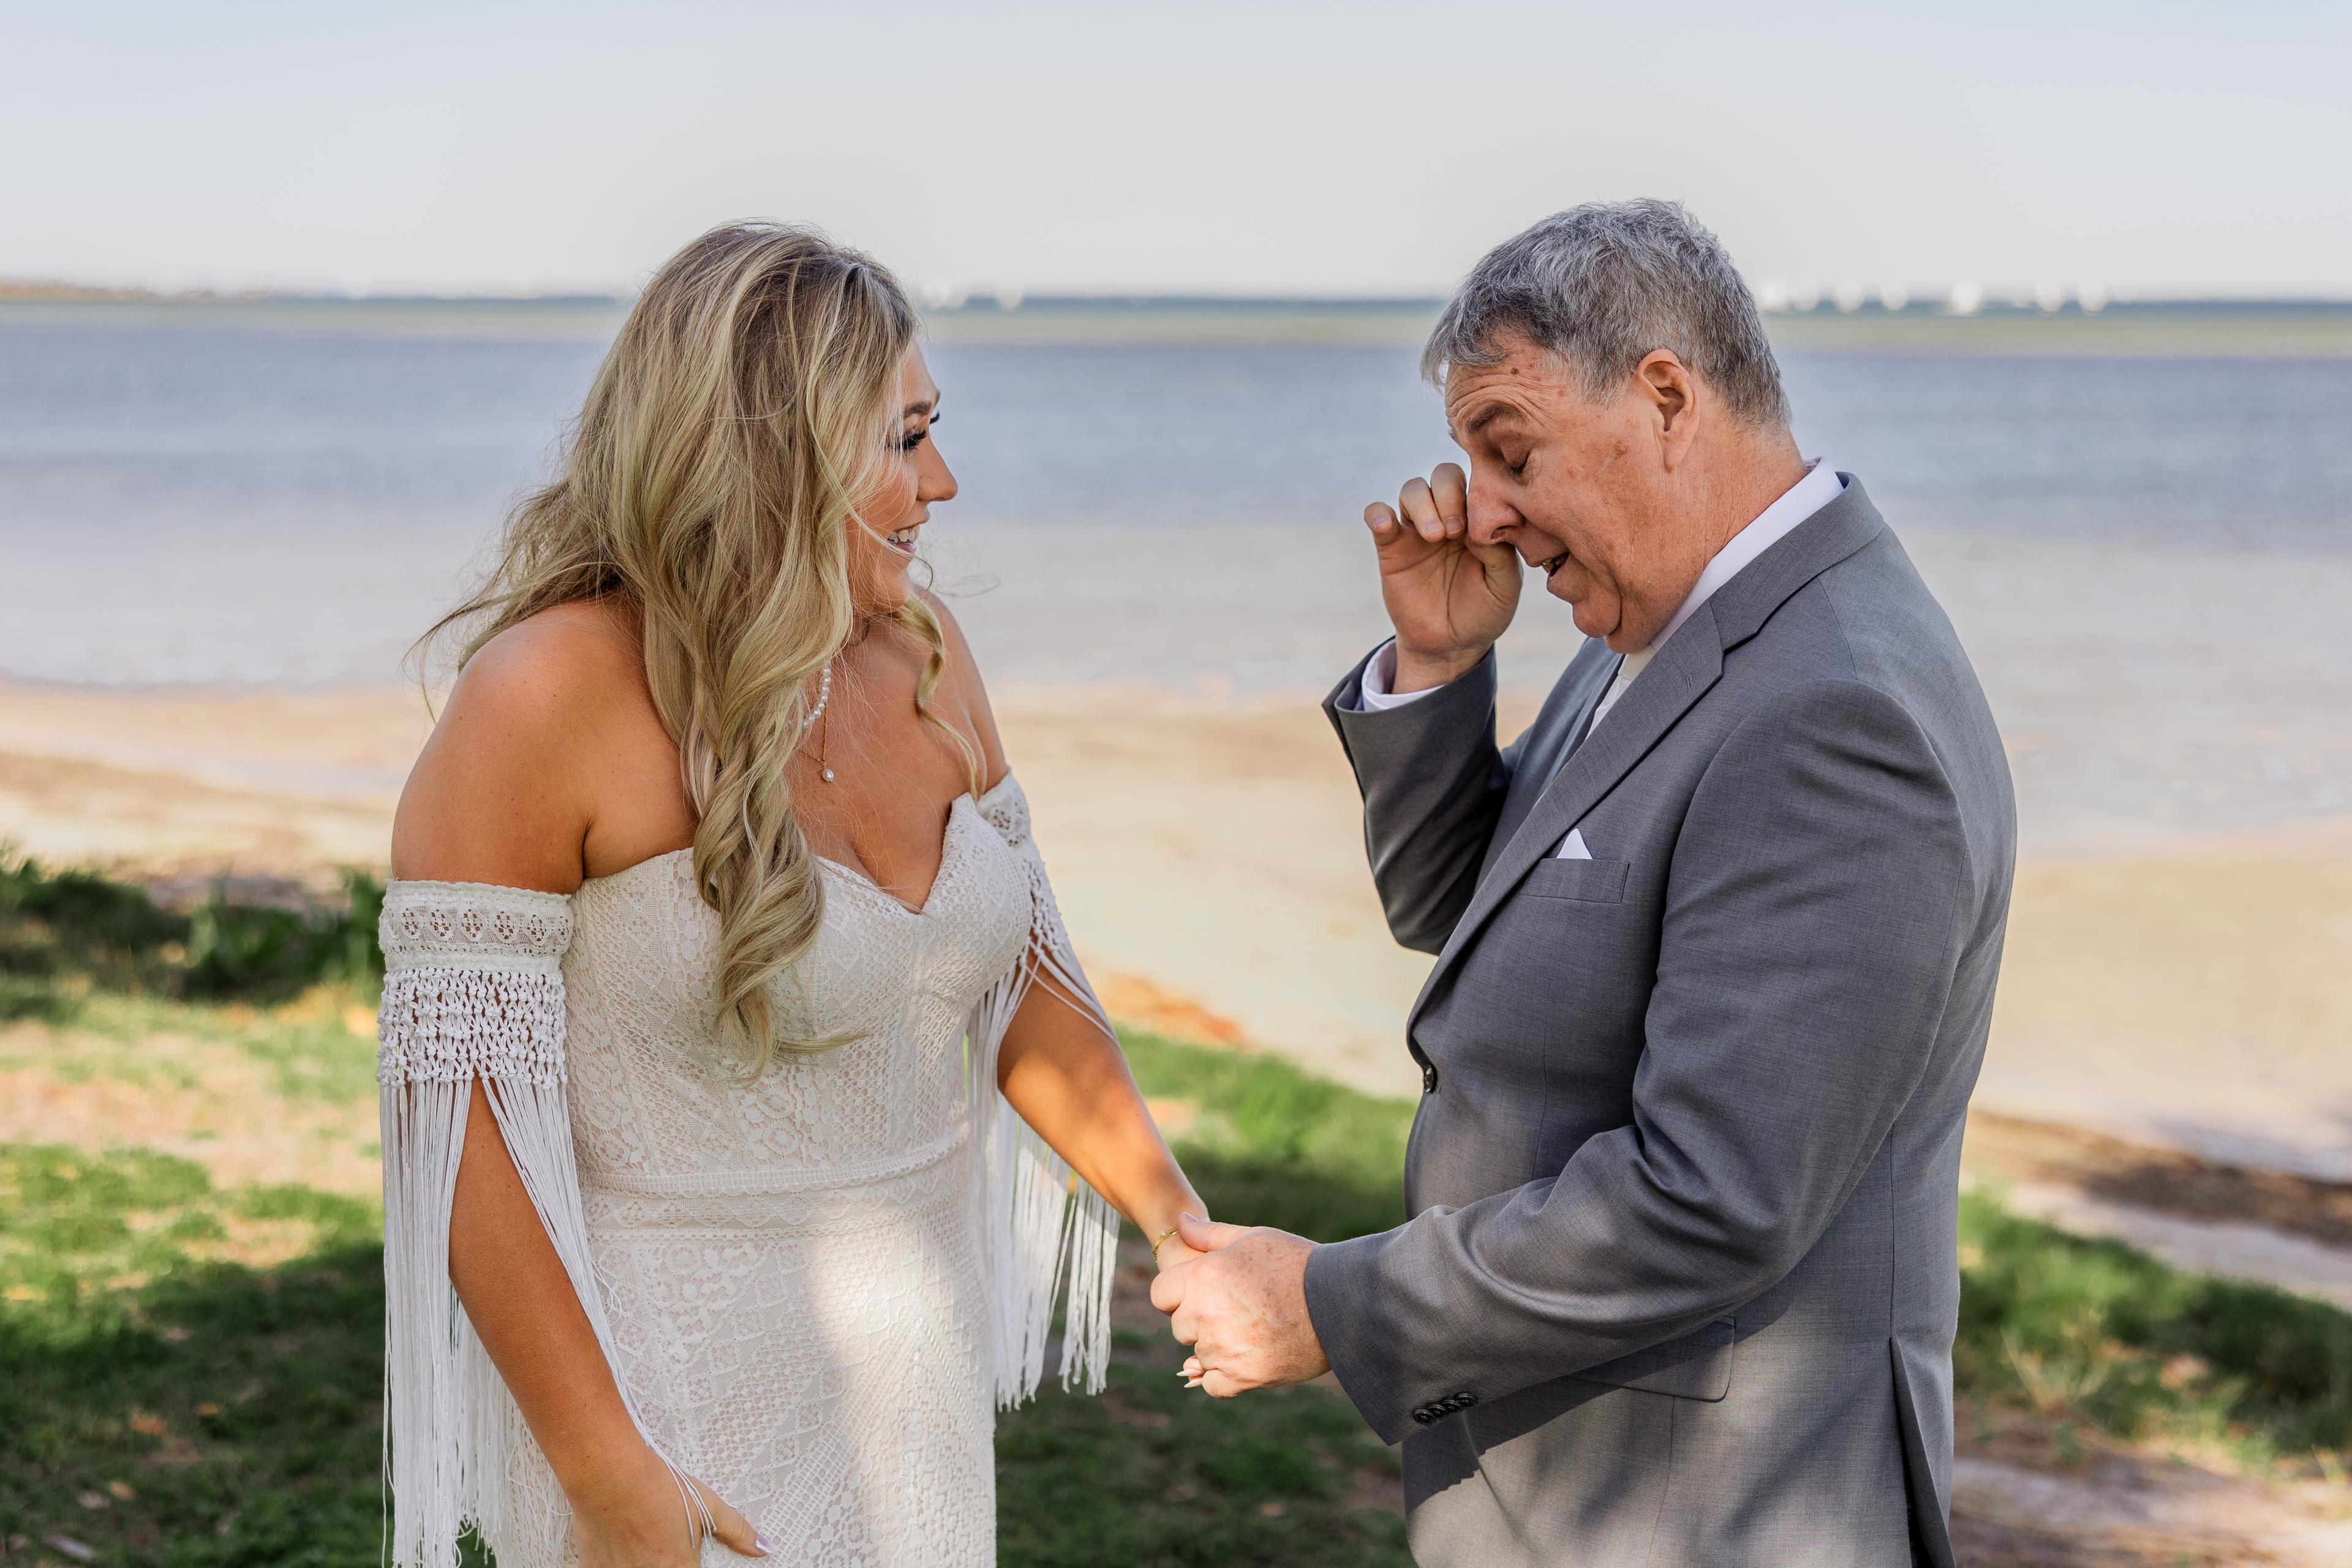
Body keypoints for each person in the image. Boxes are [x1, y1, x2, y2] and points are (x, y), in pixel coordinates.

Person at [1154, 199, 2016, 1567]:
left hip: (1704, 1516)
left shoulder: (1833, 709)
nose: (1483, 510)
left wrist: (1332, 1303)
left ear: (1666, 397)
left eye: (1511, 451)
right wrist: (1441, 664)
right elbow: (1480, 922)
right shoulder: (1669, 623)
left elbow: (1708, 1192)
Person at [376, 222, 1204, 1568]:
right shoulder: (546, 694)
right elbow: (454, 1116)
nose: (943, 479)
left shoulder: (928, 652)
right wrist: (613, 1481)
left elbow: (1023, 983)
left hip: (911, 1389)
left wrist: (1179, 1222)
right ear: (770, 449)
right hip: (668, 1418)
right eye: (903, 437)